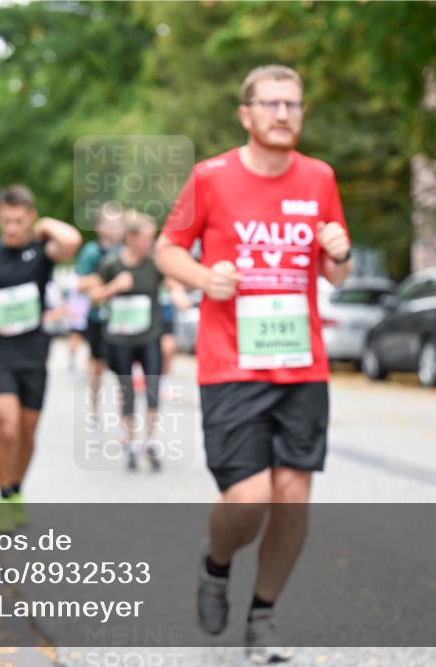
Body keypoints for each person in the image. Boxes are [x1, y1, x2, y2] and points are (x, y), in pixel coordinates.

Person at [155, 64, 352, 663]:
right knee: (249, 496)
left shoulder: (319, 177)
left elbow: (333, 269)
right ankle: (216, 567)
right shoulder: (210, 177)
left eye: (293, 104)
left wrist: (338, 256)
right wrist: (204, 277)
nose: (284, 114)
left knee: (292, 496)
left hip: (302, 363)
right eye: (271, 104)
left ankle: (262, 616)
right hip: (231, 362)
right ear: (246, 114)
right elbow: (167, 249)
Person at [0, 185, 82, 532]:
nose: (11, 228)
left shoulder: (41, 252)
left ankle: (16, 490)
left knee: (28, 431)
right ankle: (3, 493)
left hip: (34, 353)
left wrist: (46, 226)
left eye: (19, 220)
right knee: (8, 426)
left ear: (29, 218)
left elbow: (71, 242)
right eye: (6, 220)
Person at [91, 210, 187, 472]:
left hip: (149, 336)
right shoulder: (112, 264)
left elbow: (172, 282)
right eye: (145, 238)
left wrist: (178, 294)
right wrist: (114, 287)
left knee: (153, 388)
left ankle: (151, 440)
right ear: (131, 238)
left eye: (152, 238)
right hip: (120, 338)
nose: (149, 243)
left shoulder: (154, 263)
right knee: (127, 390)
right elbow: (94, 295)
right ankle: (131, 441)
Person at [74, 202, 125, 420]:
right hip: (98, 318)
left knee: (125, 369)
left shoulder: (127, 251)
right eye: (109, 223)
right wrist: (105, 284)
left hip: (122, 319)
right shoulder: (91, 252)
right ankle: (95, 409)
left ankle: (127, 416)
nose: (114, 228)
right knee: (97, 366)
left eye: (118, 223)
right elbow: (79, 283)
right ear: (99, 226)